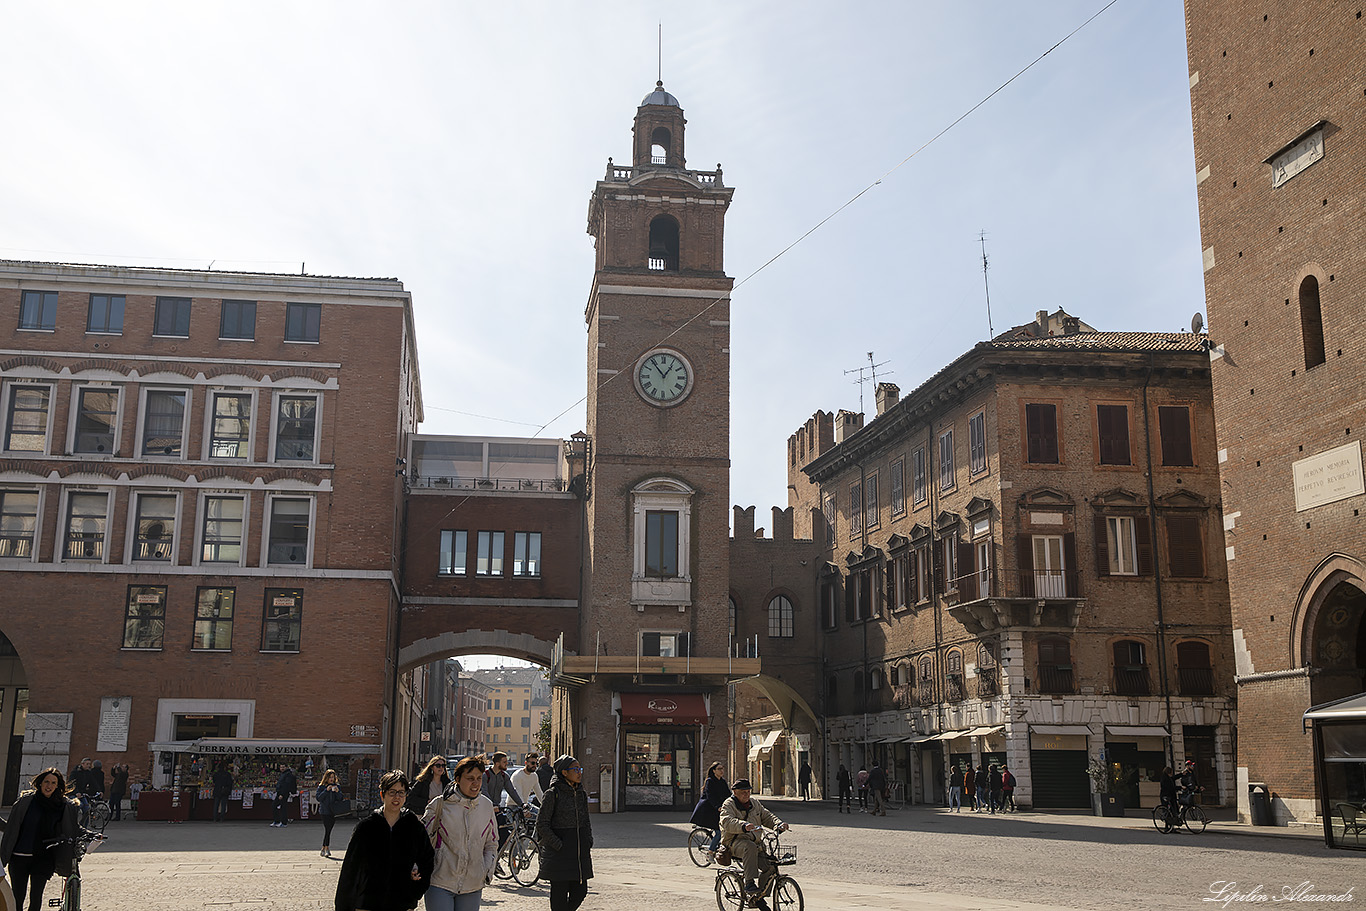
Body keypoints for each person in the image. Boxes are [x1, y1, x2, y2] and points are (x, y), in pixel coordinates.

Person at [336, 770, 434, 911]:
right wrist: (343, 905)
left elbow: (427, 859)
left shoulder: (414, 827)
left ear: (406, 795)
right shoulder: (366, 827)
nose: (396, 797)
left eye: (401, 792)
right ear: (382, 794)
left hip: (402, 903)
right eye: (392, 792)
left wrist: (415, 891)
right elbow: (350, 869)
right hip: (368, 903)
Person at [422, 755, 496, 911]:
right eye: (470, 778)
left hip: (472, 884)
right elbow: (422, 842)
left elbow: (491, 843)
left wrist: (486, 870)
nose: (475, 783)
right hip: (440, 881)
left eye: (478, 778)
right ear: (457, 779)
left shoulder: (486, 806)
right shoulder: (439, 805)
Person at [0, 768, 81, 911]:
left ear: (57, 786)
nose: (49, 786)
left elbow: (73, 827)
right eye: (46, 782)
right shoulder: (25, 802)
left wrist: (92, 835)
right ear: (40, 783)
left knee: (36, 897)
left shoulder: (62, 806)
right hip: (19, 857)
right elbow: (11, 827)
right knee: (17, 897)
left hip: (44, 858)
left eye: (53, 783)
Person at [536, 755, 593, 911]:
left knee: (580, 892)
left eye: (579, 769)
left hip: (579, 854)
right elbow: (542, 824)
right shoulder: (552, 794)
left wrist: (588, 839)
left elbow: (586, 821)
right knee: (559, 899)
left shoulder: (581, 794)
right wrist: (558, 844)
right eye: (575, 769)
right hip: (559, 856)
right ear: (564, 773)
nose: (579, 773)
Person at [719, 778, 787, 909]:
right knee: (749, 847)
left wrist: (778, 824)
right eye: (743, 792)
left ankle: (758, 897)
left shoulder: (754, 803)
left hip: (756, 844)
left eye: (748, 791)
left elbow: (767, 816)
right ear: (735, 792)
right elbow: (726, 821)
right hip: (734, 843)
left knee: (771, 867)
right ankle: (749, 883)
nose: (746, 794)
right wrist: (743, 825)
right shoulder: (729, 804)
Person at [480, 752, 524, 852]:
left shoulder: (504, 776)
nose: (506, 764)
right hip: (485, 809)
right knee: (486, 835)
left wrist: (522, 804)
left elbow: (512, 791)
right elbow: (484, 791)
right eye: (504, 762)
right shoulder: (485, 775)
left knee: (504, 834)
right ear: (497, 763)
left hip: (497, 809)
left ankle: (495, 856)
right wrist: (491, 805)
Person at [688, 762, 728, 855]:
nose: (722, 771)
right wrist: (718, 806)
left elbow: (728, 794)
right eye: (719, 769)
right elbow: (710, 797)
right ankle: (710, 852)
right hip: (708, 810)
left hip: (718, 809)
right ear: (714, 771)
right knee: (719, 832)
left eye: (722, 768)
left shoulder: (722, 781)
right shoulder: (710, 781)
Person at [317, 769, 344, 858]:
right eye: (330, 777)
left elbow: (340, 798)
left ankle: (323, 847)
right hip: (324, 811)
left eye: (333, 777)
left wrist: (337, 792)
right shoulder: (322, 787)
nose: (331, 779)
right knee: (327, 829)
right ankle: (327, 848)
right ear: (326, 778)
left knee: (329, 829)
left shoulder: (337, 786)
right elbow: (319, 798)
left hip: (333, 811)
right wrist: (326, 790)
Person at [272, 763, 298, 828]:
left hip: (283, 793)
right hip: (280, 793)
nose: (282, 768)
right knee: (274, 805)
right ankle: (277, 821)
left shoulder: (288, 775)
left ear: (286, 767)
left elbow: (286, 785)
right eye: (281, 767)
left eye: (283, 767)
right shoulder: (283, 774)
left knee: (283, 807)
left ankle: (283, 822)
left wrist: (282, 794)